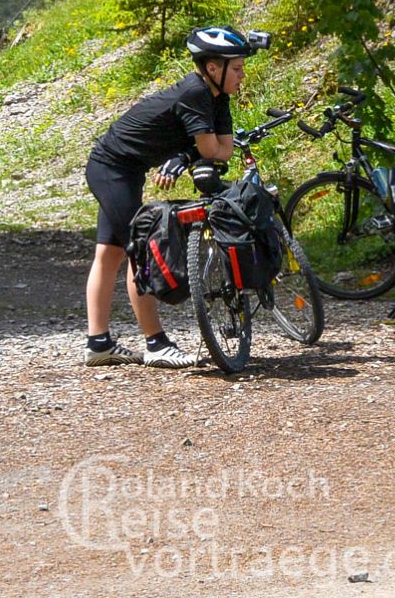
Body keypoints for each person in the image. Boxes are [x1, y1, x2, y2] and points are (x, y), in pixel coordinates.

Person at [81, 25, 267, 366]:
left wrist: (191, 154)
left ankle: (99, 343)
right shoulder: (195, 93)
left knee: (109, 253)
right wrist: (197, 152)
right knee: (141, 252)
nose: (242, 75)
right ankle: (155, 343)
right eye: (237, 68)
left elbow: (220, 150)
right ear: (213, 68)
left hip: (127, 170)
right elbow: (214, 148)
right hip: (111, 167)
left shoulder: (217, 98)